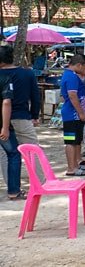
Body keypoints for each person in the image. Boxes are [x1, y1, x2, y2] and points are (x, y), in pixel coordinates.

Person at [61, 54, 85, 177]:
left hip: (75, 115)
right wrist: (81, 112)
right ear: (79, 65)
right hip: (72, 115)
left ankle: (75, 164)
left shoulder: (72, 76)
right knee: (71, 141)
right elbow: (73, 96)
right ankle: (71, 168)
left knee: (76, 141)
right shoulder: (71, 77)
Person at [0, 46, 23, 199]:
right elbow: (7, 102)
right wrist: (5, 127)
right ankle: (14, 191)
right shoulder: (5, 78)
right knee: (13, 154)